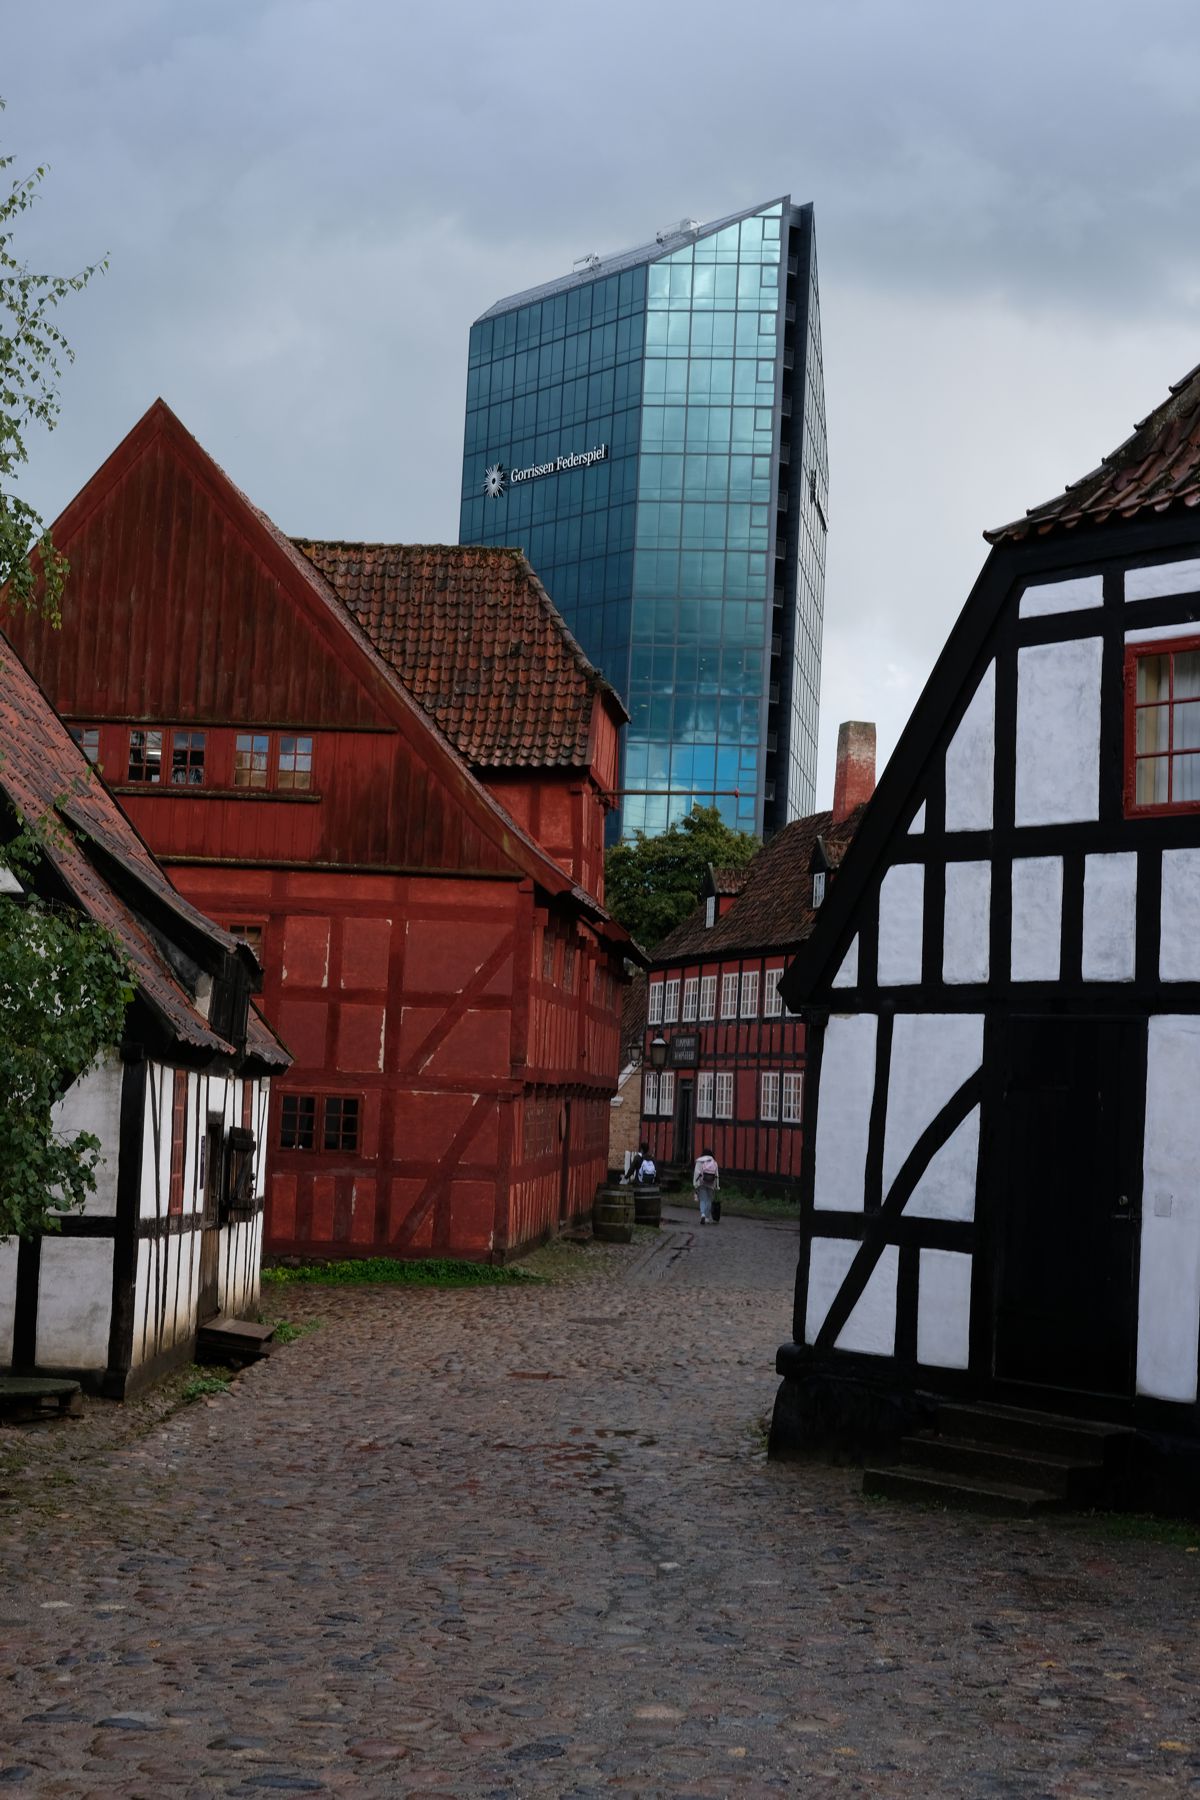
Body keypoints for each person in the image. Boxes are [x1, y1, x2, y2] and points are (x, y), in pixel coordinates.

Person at [693, 1148, 720, 1224]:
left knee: (702, 1199)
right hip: (711, 1183)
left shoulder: (699, 1161)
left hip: (702, 1182)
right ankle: (707, 1218)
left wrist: (695, 1184)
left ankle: (703, 1214)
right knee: (709, 1200)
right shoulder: (714, 1162)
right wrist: (717, 1186)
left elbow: (696, 1173)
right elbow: (717, 1175)